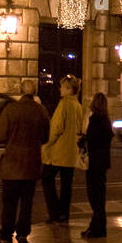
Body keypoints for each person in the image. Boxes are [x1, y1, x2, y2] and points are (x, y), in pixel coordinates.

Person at [0, 78, 50, 243]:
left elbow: (0, 135)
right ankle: (23, 236)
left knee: (9, 203)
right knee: (27, 203)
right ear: (35, 92)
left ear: (21, 91)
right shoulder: (41, 111)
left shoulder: (11, 109)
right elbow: (46, 137)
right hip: (32, 163)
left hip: (12, 164)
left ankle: (6, 238)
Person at [41, 75, 84, 224]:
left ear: (68, 89)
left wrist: (47, 144)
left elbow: (56, 128)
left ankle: (54, 213)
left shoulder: (64, 104)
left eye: (62, 87)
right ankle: (64, 214)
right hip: (71, 151)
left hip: (58, 151)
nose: (60, 89)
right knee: (66, 184)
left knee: (47, 178)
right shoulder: (78, 106)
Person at [80, 92, 113, 239]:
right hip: (103, 161)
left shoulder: (95, 119)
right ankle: (96, 226)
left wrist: (83, 141)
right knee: (99, 196)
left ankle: (98, 228)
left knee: (95, 196)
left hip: (95, 162)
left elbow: (92, 139)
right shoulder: (106, 120)